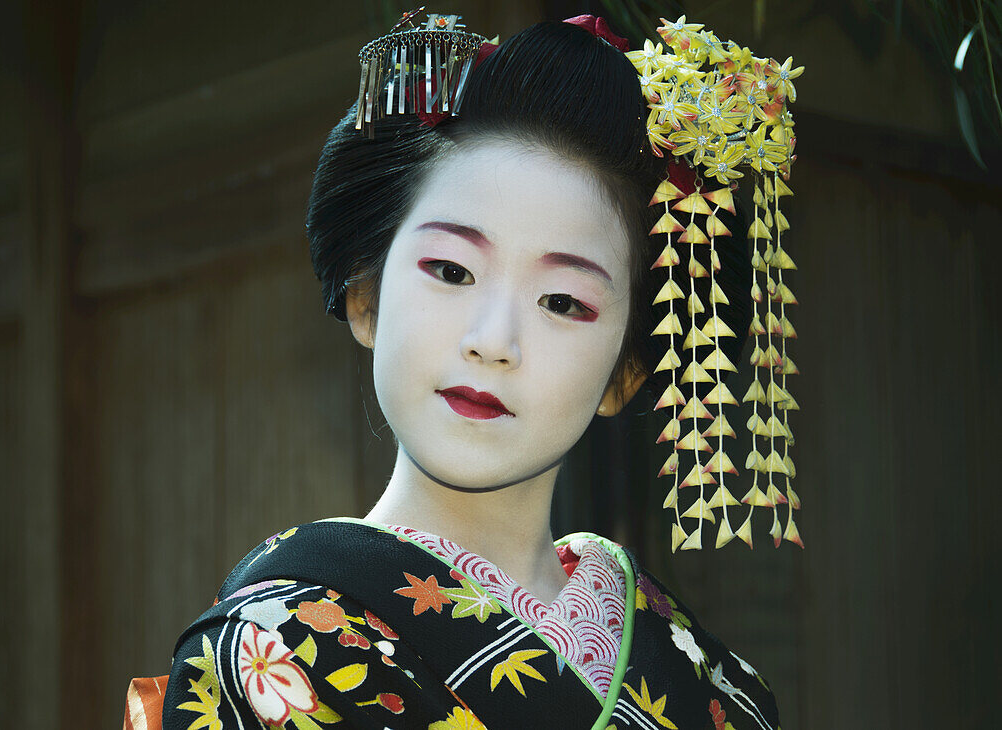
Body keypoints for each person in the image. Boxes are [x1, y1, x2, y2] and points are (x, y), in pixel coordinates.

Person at [150, 13, 795, 730]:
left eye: (562, 301)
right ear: (365, 296)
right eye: (451, 270)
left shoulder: (718, 687)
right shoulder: (268, 647)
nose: (494, 342)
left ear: (628, 370)